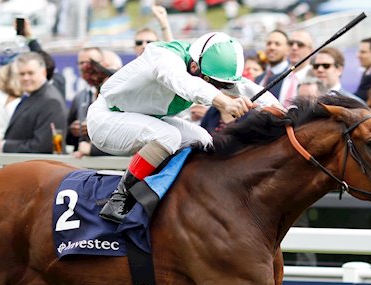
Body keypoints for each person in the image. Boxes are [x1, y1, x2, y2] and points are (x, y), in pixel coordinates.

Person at [88, 32, 278, 224]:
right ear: (194, 66)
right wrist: (224, 102)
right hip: (106, 118)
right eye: (214, 83)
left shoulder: (203, 68)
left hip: (141, 118)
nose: (219, 88)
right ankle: (120, 199)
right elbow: (185, 82)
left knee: (203, 140)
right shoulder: (164, 57)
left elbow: (246, 88)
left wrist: (286, 113)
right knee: (168, 136)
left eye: (222, 85)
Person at [0, 52, 67, 154]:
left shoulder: (51, 101)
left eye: (30, 73)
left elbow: (43, 146)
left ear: (44, 73)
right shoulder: (31, 95)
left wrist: (2, 146)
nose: (26, 78)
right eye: (22, 74)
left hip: (39, 168)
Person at [256, 29, 289, 99]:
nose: (272, 47)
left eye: (277, 44)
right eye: (269, 43)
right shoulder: (258, 78)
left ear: (288, 49)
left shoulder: (291, 79)